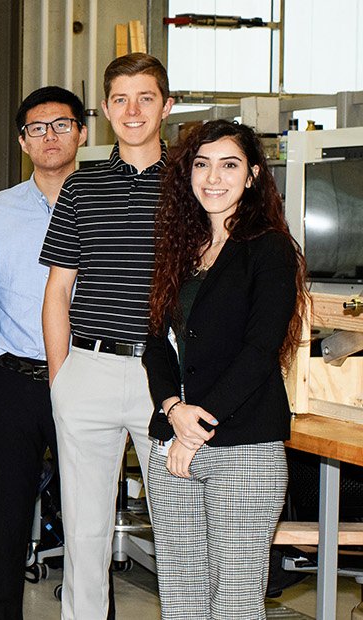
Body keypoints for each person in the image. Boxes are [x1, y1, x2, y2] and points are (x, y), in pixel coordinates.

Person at [142, 120, 304, 620]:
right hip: (173, 440)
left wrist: (197, 426)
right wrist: (173, 411)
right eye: (202, 164)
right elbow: (155, 344)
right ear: (187, 174)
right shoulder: (178, 249)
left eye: (229, 164)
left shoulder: (270, 249)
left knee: (235, 596)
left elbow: (259, 351)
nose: (214, 176)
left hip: (244, 447)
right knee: (181, 590)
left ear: (253, 175)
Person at [39, 52, 173, 620]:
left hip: (165, 378)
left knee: (177, 527)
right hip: (88, 371)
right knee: (85, 531)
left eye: (145, 97)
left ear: (167, 106)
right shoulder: (82, 187)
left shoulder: (193, 186)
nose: (133, 110)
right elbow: (57, 292)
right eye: (120, 99)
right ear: (105, 109)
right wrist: (60, 378)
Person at [0, 86, 87, 620]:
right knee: (5, 522)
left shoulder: (105, 206)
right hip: (13, 381)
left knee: (88, 520)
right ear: (22, 141)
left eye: (61, 124)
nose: (50, 136)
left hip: (90, 378)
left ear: (82, 132)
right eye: (38, 128)